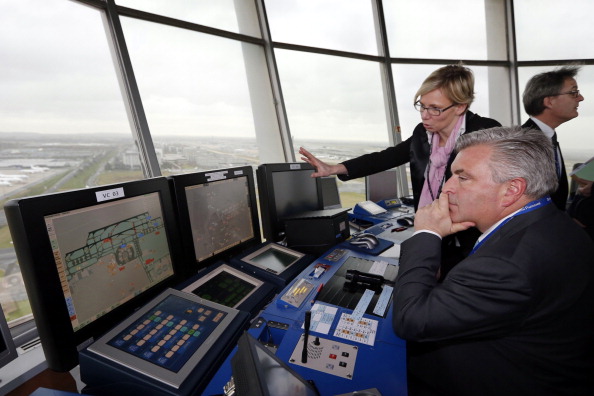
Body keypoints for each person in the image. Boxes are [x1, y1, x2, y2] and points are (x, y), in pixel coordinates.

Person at [393, 126, 594, 396]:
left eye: (462, 178)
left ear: (512, 190)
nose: (446, 188)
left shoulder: (506, 266)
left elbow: (411, 320)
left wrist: (427, 233)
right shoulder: (555, 222)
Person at [300, 64, 501, 274]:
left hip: (473, 238)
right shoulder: (423, 134)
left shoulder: (485, 132)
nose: (425, 115)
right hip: (433, 228)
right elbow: (388, 157)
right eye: (421, 106)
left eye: (435, 108)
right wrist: (334, 168)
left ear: (460, 106)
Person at [522, 65, 585, 210]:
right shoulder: (523, 143)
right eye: (574, 93)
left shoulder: (549, 136)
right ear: (549, 101)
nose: (581, 98)